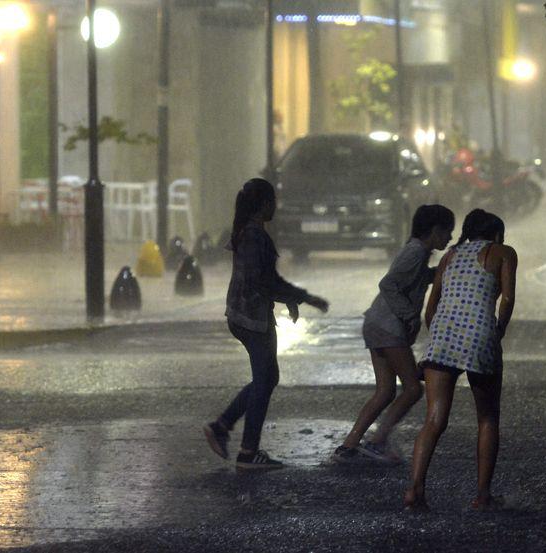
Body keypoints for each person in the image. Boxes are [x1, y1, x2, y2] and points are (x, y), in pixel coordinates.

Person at [204, 178, 329, 470]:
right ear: (263, 205)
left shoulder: (249, 232)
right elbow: (263, 280)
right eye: (273, 201)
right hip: (252, 317)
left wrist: (291, 299)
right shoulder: (255, 236)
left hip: (244, 314)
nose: (276, 207)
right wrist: (304, 297)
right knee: (264, 380)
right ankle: (247, 451)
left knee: (267, 378)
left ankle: (223, 427)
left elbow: (264, 278)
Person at [404, 209, 517, 510]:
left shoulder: (449, 257)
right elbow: (507, 298)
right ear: (495, 234)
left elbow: (432, 306)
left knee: (434, 419)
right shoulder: (503, 252)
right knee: (487, 417)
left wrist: (439, 334)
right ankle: (482, 496)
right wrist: (499, 330)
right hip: (480, 335)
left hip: (443, 336)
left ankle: (415, 490)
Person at [333, 205, 456, 464]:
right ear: (435, 231)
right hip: (389, 326)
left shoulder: (416, 251)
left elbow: (419, 279)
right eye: (448, 232)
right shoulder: (415, 252)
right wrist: (408, 315)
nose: (450, 238)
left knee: (385, 391)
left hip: (376, 323)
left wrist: (444, 269)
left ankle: (350, 445)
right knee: (412, 389)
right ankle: (377, 441)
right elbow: (388, 283)